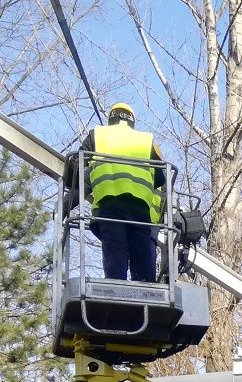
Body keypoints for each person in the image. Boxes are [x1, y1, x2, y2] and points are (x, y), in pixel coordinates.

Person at [67, 102, 167, 282]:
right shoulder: (146, 141)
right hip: (140, 207)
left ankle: (115, 285)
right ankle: (145, 287)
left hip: (109, 202)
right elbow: (160, 178)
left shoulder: (97, 135)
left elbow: (77, 166)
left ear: (111, 118)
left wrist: (67, 202)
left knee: (115, 249)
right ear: (132, 121)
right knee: (141, 253)